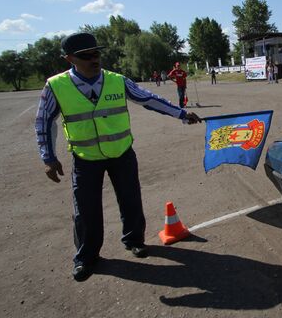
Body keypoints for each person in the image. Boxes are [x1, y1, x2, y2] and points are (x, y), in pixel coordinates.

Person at [34, 32, 201, 282]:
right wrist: (48, 157)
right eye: (86, 55)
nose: (94, 58)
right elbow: (44, 121)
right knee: (86, 210)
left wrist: (181, 113)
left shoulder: (117, 81)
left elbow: (148, 99)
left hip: (122, 153)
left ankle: (134, 240)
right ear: (69, 59)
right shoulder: (56, 86)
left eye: (96, 53)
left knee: (131, 200)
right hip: (85, 159)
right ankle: (87, 257)